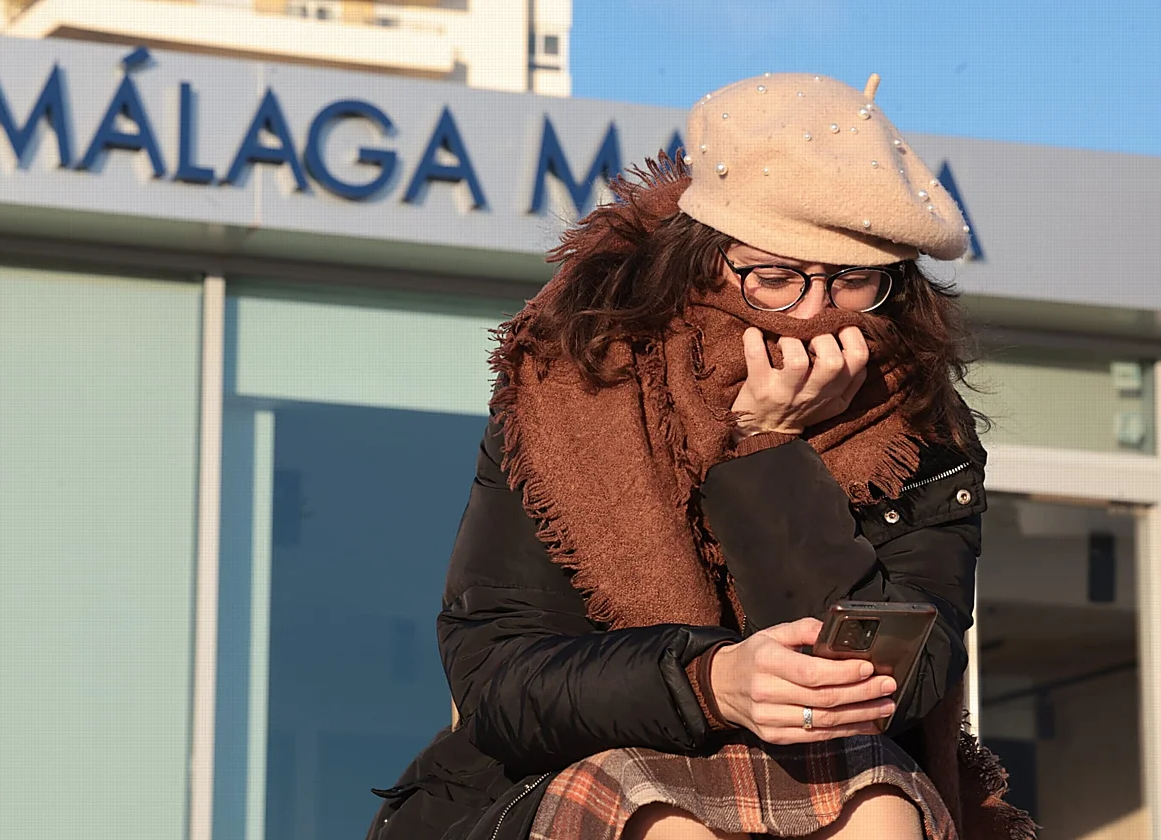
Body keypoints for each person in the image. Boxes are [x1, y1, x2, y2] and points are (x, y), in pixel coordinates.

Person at [366, 73, 1037, 840]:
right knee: (669, 822)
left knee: (877, 809)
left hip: (829, 762)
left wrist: (767, 451)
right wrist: (711, 681)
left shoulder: (920, 426)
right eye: (775, 276)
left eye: (852, 279)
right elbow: (499, 677)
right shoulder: (580, 381)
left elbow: (905, 674)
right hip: (560, 772)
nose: (812, 311)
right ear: (704, 255)